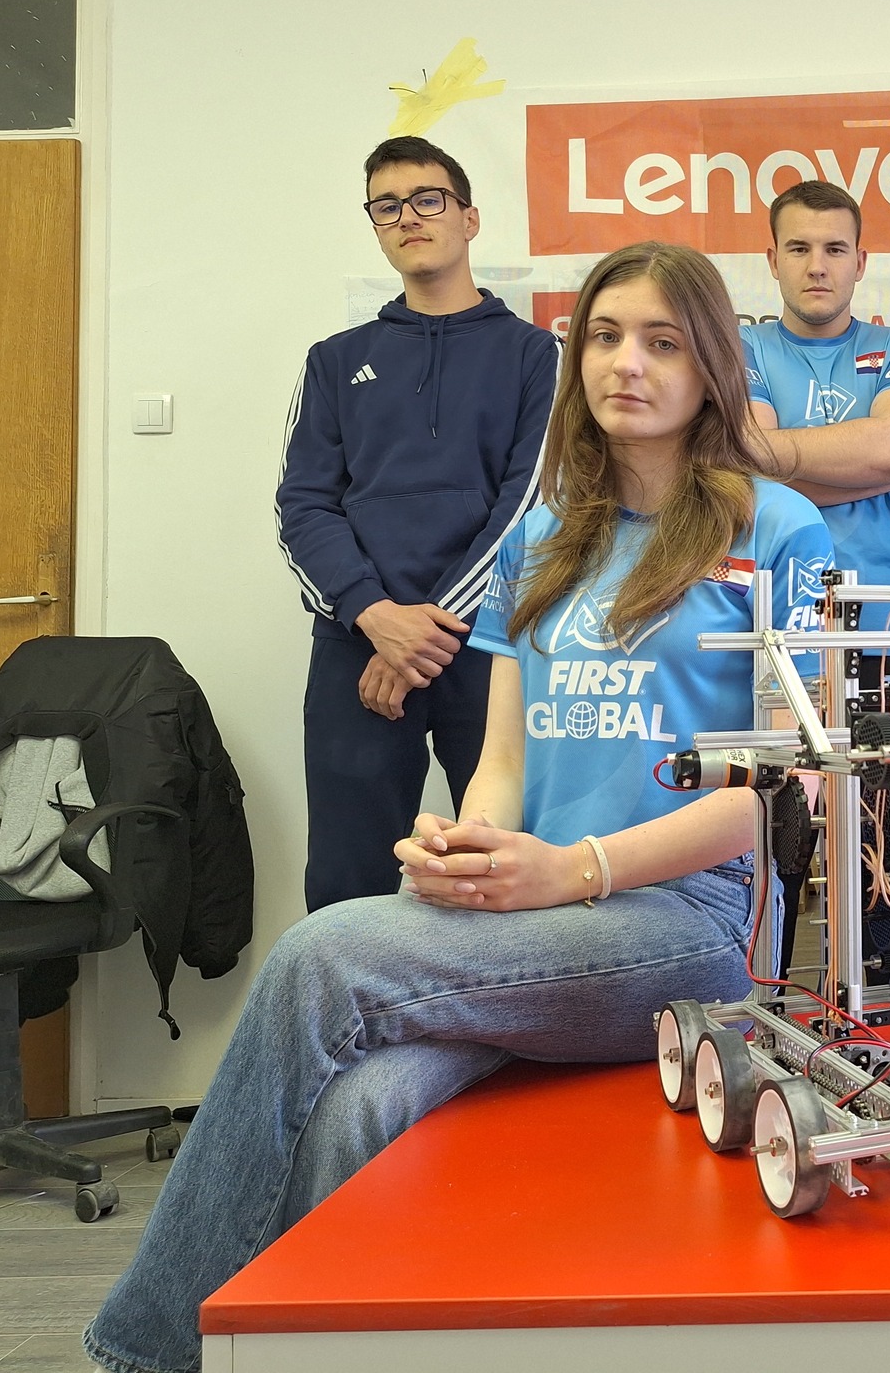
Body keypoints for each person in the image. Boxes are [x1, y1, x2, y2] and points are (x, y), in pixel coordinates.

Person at [86, 243, 834, 1373]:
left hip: (690, 927)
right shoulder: (543, 535)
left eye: (662, 342)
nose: (625, 364)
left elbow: (783, 794)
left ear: (713, 366)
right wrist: (470, 838)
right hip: (535, 914)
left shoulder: (778, 531)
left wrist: (571, 869)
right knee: (363, 1106)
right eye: (604, 336)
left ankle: (145, 1354)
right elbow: (500, 758)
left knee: (320, 956)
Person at [277, 136, 559, 911]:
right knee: (346, 885)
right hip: (359, 647)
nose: (408, 217)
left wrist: (425, 636)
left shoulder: (539, 356)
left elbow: (533, 503)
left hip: (492, 648)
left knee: (508, 870)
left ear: (469, 218)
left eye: (428, 199)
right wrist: (376, 617)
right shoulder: (334, 361)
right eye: (387, 206)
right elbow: (302, 505)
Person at [741, 179, 890, 620]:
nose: (817, 267)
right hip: (771, 613)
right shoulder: (736, 346)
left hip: (889, 615)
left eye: (834, 250)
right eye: (799, 249)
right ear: (774, 261)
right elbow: (739, 472)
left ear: (859, 262)